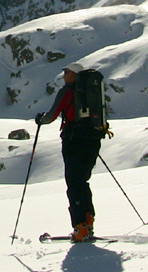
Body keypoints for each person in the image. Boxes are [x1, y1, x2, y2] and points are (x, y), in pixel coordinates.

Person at [35, 62, 102, 243]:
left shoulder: (67, 92)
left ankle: (80, 228)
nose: (64, 75)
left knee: (74, 183)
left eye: (67, 72)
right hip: (93, 139)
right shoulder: (92, 90)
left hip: (74, 141)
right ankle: (88, 220)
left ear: (74, 74)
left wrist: (40, 119)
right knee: (83, 181)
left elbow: (51, 116)